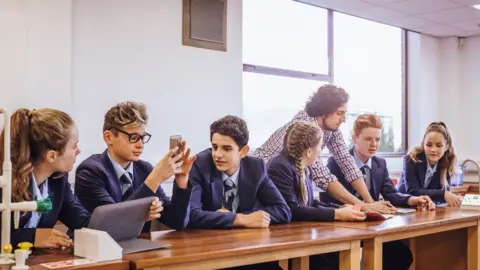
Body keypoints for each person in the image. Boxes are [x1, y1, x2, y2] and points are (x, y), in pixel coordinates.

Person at [255, 84, 391, 213]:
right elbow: (323, 176)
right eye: (339, 113)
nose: (343, 119)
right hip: (261, 184)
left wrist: (370, 203)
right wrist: (361, 206)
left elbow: (346, 161)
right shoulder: (305, 127)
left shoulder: (331, 128)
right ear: (323, 112)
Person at [75, 101, 195, 231]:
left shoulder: (144, 169)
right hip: (98, 248)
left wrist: (181, 179)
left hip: (138, 247)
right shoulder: (89, 171)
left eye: (142, 137)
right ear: (109, 137)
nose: (140, 144)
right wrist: (155, 179)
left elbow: (176, 222)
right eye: (133, 137)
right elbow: (112, 225)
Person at [267, 121, 365, 270]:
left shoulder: (306, 168)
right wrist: (337, 214)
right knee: (327, 260)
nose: (320, 152)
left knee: (334, 255)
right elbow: (293, 209)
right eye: (320, 147)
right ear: (309, 151)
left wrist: (342, 208)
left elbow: (310, 203)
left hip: (301, 232)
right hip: (283, 235)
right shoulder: (280, 165)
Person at [188, 115, 291, 230]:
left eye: (227, 149)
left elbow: (283, 210)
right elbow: (190, 214)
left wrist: (242, 218)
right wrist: (238, 219)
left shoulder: (256, 168)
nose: (217, 154)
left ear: (243, 151)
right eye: (215, 147)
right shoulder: (199, 165)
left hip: (244, 240)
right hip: (206, 241)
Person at [397, 122, 462, 207]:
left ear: (447, 147)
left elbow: (441, 196)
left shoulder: (447, 163)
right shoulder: (411, 159)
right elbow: (412, 191)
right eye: (429, 145)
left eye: (438, 146)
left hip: (425, 209)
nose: (433, 149)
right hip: (403, 207)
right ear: (423, 144)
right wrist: (444, 195)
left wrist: (454, 199)